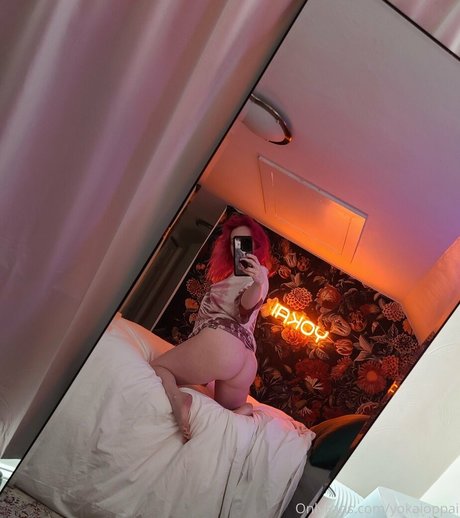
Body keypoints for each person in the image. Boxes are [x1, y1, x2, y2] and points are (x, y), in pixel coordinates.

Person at [151, 213, 272, 441]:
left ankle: (179, 399)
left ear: (257, 245)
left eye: (245, 243)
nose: (239, 249)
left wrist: (256, 285)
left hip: (224, 343)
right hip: (246, 360)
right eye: (235, 243)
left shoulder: (255, 277)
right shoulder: (257, 276)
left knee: (158, 368)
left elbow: (245, 308)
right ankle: (243, 410)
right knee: (225, 412)